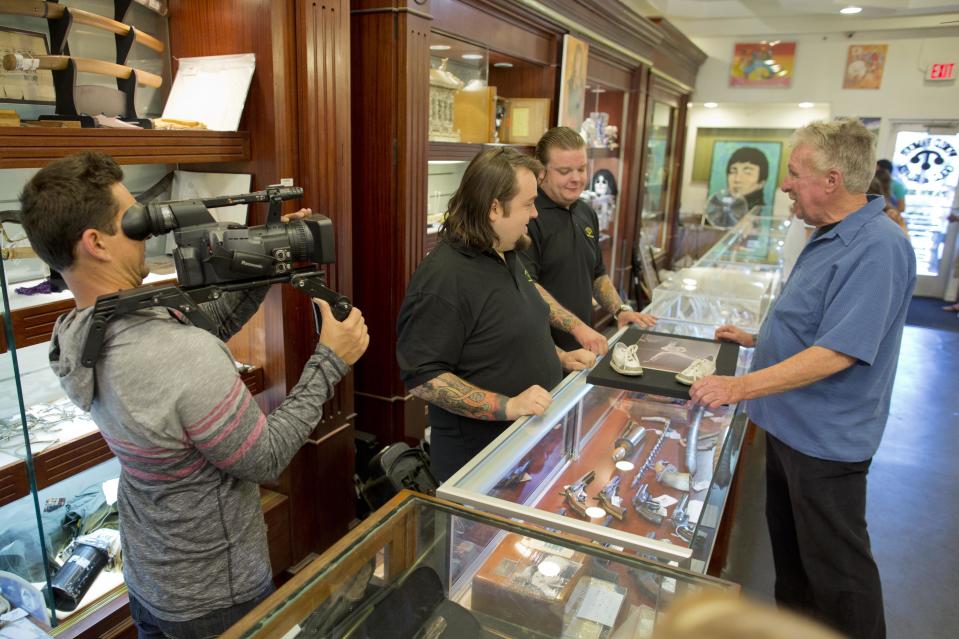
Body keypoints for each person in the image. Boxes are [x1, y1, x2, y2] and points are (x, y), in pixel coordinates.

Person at [18, 152, 369, 637]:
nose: (146, 234)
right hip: (215, 596)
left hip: (153, 579)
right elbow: (264, 457)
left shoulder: (81, 332)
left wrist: (267, 254)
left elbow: (204, 328)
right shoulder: (177, 355)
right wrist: (330, 358)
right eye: (132, 222)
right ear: (95, 243)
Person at [690, 119, 916, 639]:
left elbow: (839, 350)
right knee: (794, 568)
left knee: (839, 579)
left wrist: (740, 386)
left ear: (832, 180)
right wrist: (758, 338)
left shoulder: (878, 247)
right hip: (790, 429)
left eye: (794, 173)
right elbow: (822, 321)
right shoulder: (829, 232)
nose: (786, 184)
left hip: (825, 444)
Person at [396, 148, 595, 482]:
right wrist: (508, 406)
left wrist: (559, 356)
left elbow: (505, 331)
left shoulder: (506, 251)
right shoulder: (443, 276)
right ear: (493, 208)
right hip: (480, 465)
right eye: (528, 204)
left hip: (526, 450)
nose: (535, 214)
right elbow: (424, 379)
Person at [523, 127, 656, 355]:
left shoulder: (586, 212)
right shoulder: (528, 216)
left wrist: (620, 310)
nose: (576, 179)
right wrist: (577, 328)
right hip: (542, 354)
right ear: (541, 171)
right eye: (565, 171)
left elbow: (596, 273)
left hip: (584, 348)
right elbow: (527, 289)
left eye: (582, 169)